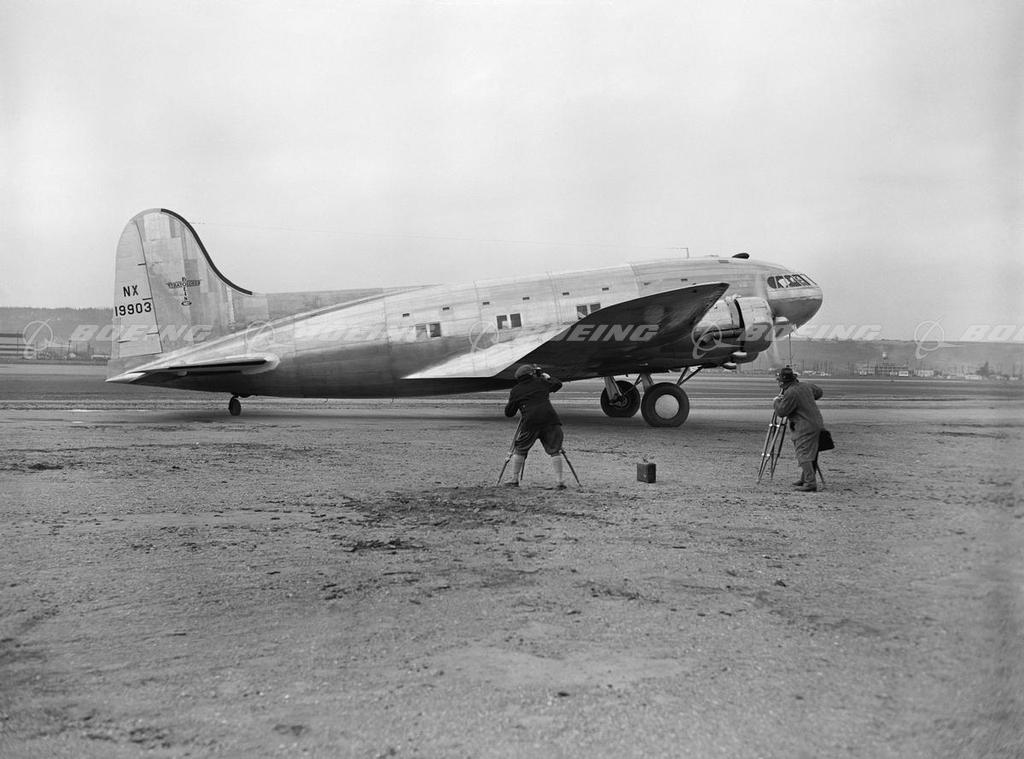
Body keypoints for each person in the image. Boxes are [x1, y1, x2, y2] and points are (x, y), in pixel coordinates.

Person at [503, 364, 566, 489]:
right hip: (550, 420)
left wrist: (516, 401)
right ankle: (560, 481)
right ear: (532, 374)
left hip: (530, 422)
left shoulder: (516, 390)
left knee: (520, 449)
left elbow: (509, 413)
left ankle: (514, 479)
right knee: (555, 450)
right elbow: (558, 384)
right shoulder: (541, 382)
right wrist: (546, 376)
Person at [772, 366, 824, 492]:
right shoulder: (805, 386)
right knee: (810, 453)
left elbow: (782, 412)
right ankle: (805, 478)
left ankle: (810, 483)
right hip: (815, 422)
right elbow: (819, 392)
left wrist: (776, 402)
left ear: (782, 382)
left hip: (804, 426)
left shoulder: (791, 392)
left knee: (803, 453)